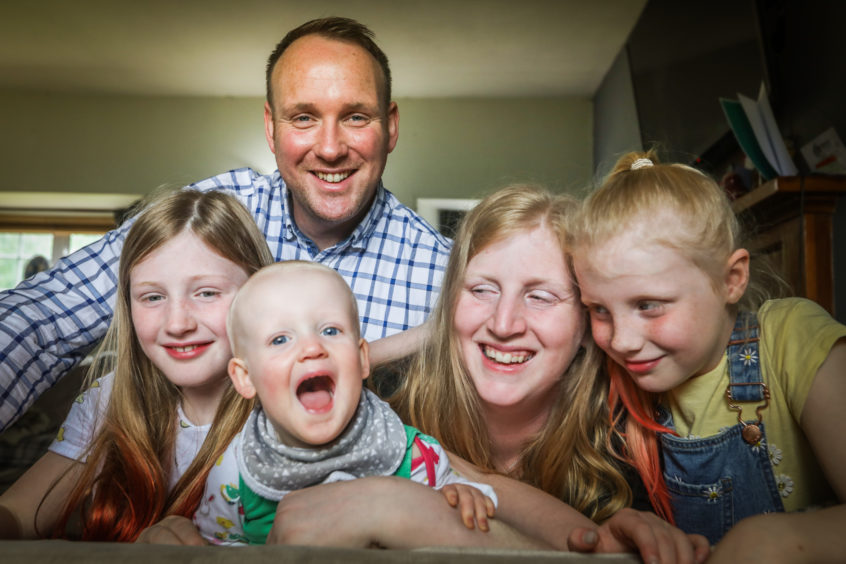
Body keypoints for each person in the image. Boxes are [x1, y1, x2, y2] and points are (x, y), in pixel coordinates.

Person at [0, 16, 451, 432]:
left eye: (355, 117)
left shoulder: (446, 277)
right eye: (303, 118)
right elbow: (46, 317)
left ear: (390, 127)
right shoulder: (213, 213)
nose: (330, 148)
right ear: (271, 128)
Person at [271, 184, 710, 564]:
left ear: (588, 320)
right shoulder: (385, 405)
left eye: (540, 297)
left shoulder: (627, 436)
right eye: (481, 290)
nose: (503, 324)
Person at [570, 150, 846, 557]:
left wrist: (777, 539)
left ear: (730, 280)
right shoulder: (617, 392)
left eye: (648, 304)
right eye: (599, 309)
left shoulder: (792, 339)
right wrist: (625, 524)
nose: (622, 341)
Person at [0, 189, 274, 540]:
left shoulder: (288, 415)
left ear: (259, 292)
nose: (177, 324)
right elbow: (19, 514)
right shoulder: (110, 399)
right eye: (153, 297)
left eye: (206, 292)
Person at [195, 261, 496, 545]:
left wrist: (462, 498)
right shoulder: (235, 470)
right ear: (245, 377)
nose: (312, 348)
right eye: (280, 340)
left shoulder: (413, 456)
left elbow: (466, 510)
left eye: (330, 331)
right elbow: (212, 547)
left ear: (363, 358)